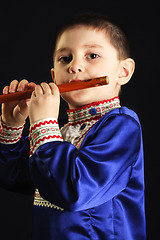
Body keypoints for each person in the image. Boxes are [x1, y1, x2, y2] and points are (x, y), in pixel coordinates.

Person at [0, 13, 146, 239]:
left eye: (92, 55)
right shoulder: (58, 132)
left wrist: (43, 124)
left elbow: (75, 191)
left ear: (123, 71)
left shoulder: (122, 126)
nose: (75, 66)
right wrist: (13, 124)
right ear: (53, 76)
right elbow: (14, 177)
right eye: (65, 59)